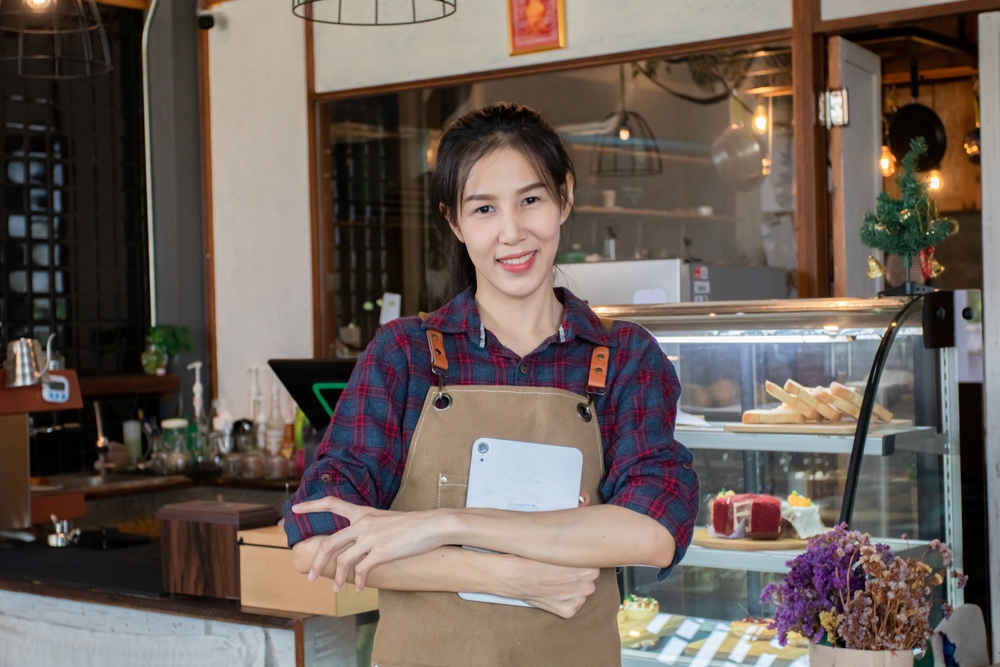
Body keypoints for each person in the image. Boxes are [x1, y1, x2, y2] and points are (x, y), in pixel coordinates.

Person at [284, 102, 698, 667]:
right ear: (454, 222)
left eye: (531, 199)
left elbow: (654, 529)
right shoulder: (405, 355)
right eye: (484, 208)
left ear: (564, 198)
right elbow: (315, 531)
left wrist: (438, 526)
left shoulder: (624, 357)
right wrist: (512, 576)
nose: (512, 232)